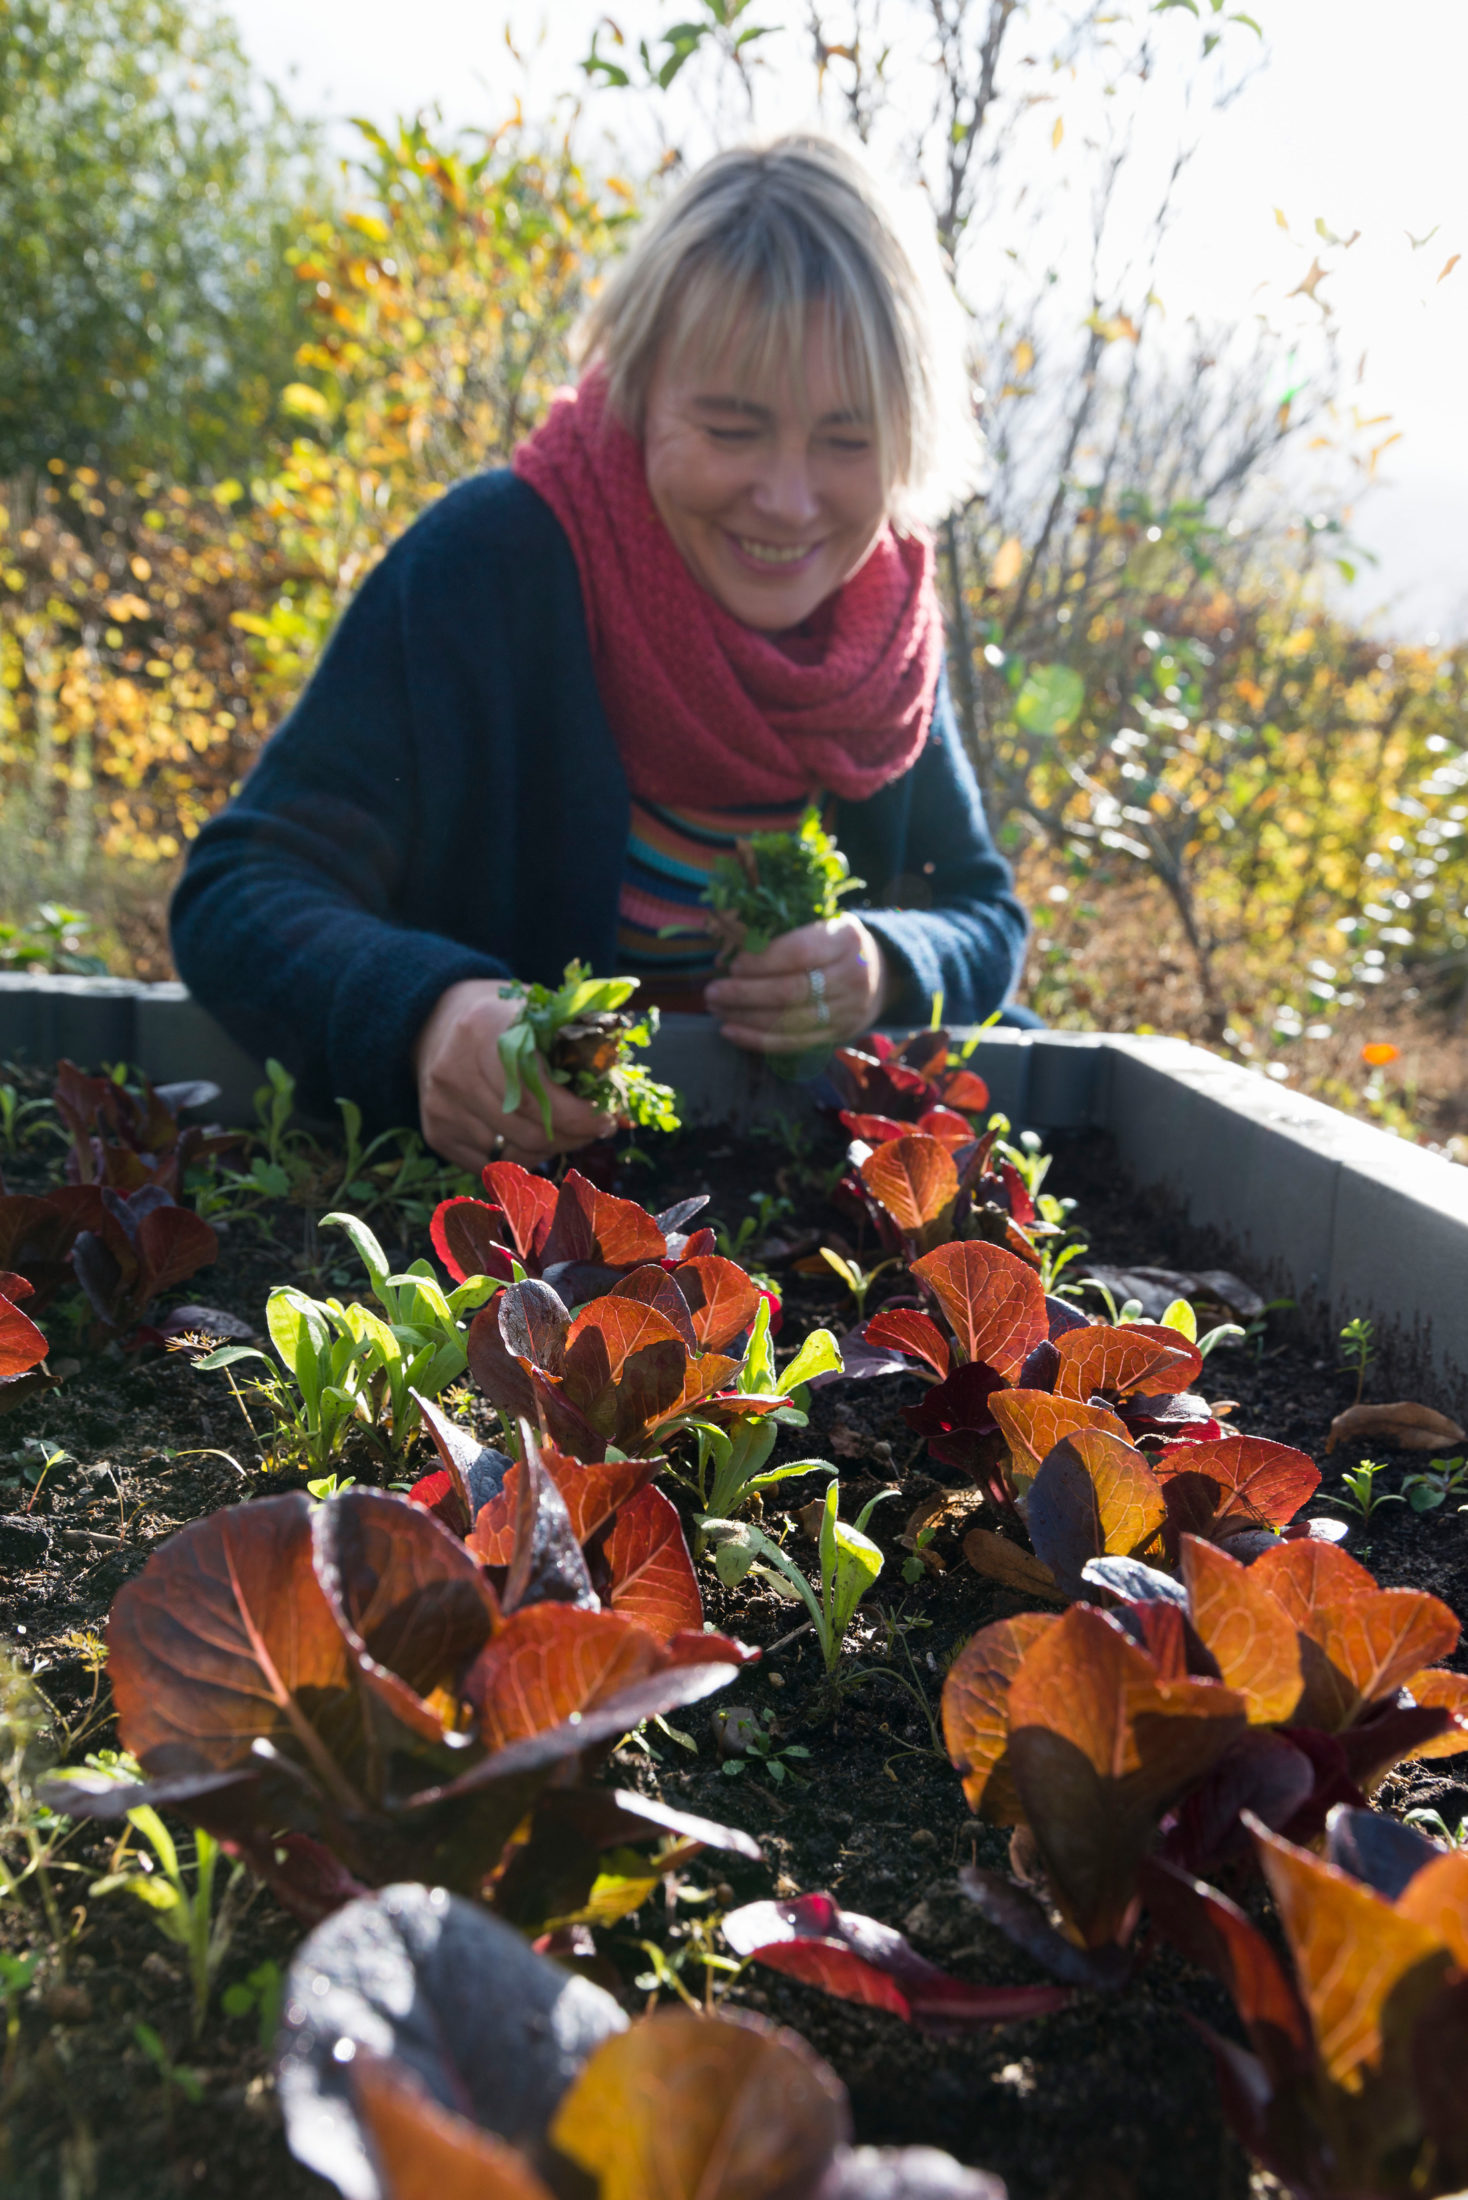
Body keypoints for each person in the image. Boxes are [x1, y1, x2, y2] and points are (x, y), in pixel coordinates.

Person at [170, 135, 1029, 1171]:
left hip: (788, 1197)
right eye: (731, 428)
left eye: (848, 442)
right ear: (637, 388)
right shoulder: (491, 565)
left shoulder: (880, 631)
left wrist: (886, 965)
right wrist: (427, 1012)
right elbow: (241, 891)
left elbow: (984, 914)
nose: (790, 499)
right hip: (492, 1220)